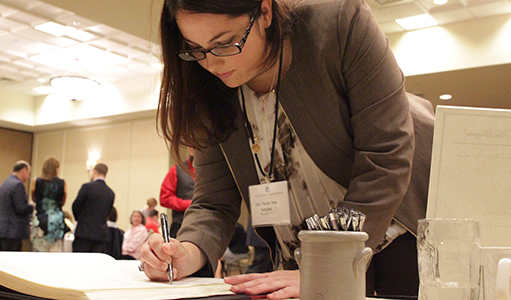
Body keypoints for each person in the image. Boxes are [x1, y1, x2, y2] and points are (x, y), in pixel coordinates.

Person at [140, 0, 434, 299]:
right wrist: (185, 253)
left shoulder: (339, 22)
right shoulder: (207, 83)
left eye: (226, 43)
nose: (212, 64)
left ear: (265, 11)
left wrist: (326, 267)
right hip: (298, 262)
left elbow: (386, 155)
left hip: (391, 241)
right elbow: (213, 202)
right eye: (195, 48)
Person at [0, 160, 35, 251]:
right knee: (11, 261)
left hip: (0, 229)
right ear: (24, 170)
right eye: (29, 173)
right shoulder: (18, 185)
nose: (29, 177)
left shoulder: (5, 183)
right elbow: (21, 208)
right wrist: (32, 206)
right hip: (12, 231)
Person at [72, 163, 115, 253]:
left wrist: (80, 220)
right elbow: (108, 212)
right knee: (96, 263)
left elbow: (76, 206)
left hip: (84, 232)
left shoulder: (87, 187)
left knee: (80, 262)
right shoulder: (110, 193)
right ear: (105, 174)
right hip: (101, 234)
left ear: (94, 172)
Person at [30, 157, 67, 252]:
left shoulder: (36, 181)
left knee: (39, 249)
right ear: (55, 169)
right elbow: (63, 201)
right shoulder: (62, 183)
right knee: (55, 250)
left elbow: (34, 198)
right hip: (56, 221)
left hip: (40, 218)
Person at [159, 148, 194, 238]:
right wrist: (188, 204)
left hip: (206, 225)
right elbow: (165, 198)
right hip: (180, 224)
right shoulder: (177, 169)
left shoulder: (211, 171)